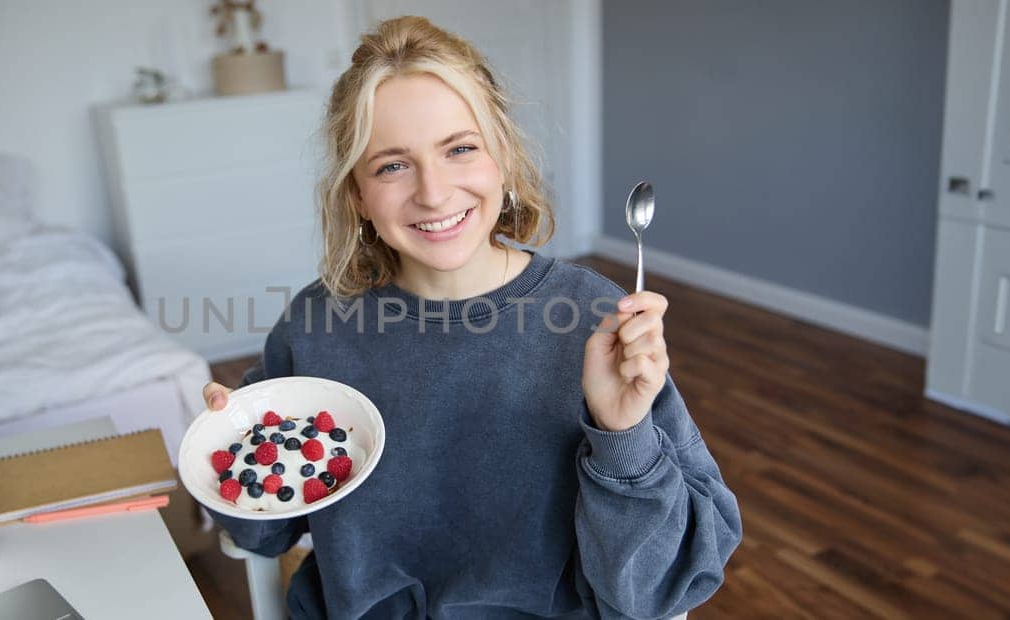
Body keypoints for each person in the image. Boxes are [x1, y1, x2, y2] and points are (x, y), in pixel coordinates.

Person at [199, 16, 741, 619]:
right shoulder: (316, 325)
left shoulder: (596, 322)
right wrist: (228, 448)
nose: (433, 192)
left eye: (460, 149)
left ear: (501, 156)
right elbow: (259, 534)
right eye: (391, 165)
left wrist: (623, 438)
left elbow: (663, 590)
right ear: (357, 194)